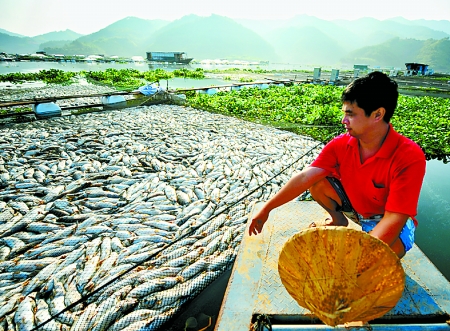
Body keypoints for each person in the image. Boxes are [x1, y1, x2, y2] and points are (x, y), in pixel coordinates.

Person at [249, 71, 426, 259]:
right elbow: (305, 177)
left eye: (350, 114)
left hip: (390, 220)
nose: (344, 121)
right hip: (358, 211)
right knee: (317, 182)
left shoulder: (408, 156)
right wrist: (266, 209)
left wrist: (360, 253)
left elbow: (394, 217)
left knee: (380, 260)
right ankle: (338, 220)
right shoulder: (341, 144)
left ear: (377, 114)